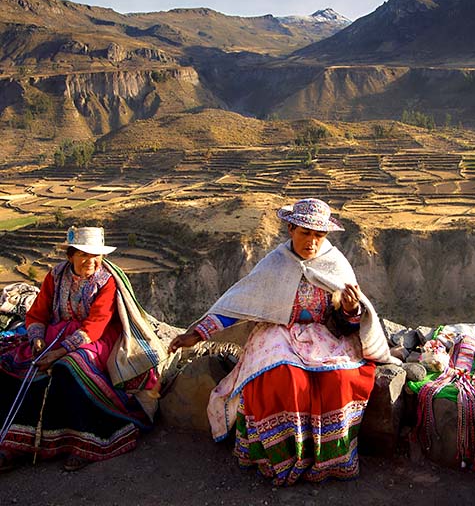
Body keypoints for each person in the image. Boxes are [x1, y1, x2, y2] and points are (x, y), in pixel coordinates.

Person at [169, 198, 397, 486]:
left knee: (340, 379)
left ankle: (331, 461)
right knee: (284, 378)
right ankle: (282, 459)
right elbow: (237, 305)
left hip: (322, 336)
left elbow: (348, 324)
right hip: (278, 333)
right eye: (305, 233)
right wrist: (197, 334)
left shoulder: (336, 264)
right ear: (291, 229)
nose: (312, 242)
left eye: (318, 235)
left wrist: (351, 310)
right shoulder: (274, 264)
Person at [0, 226, 167, 472]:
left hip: (95, 339)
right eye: (84, 254)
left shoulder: (106, 282)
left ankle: (88, 443)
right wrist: (37, 340)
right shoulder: (55, 276)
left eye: (96, 255)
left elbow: (97, 324)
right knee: (17, 366)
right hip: (56, 334)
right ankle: (16, 443)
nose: (91, 261)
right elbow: (38, 313)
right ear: (71, 256)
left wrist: (61, 351)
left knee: (70, 369)